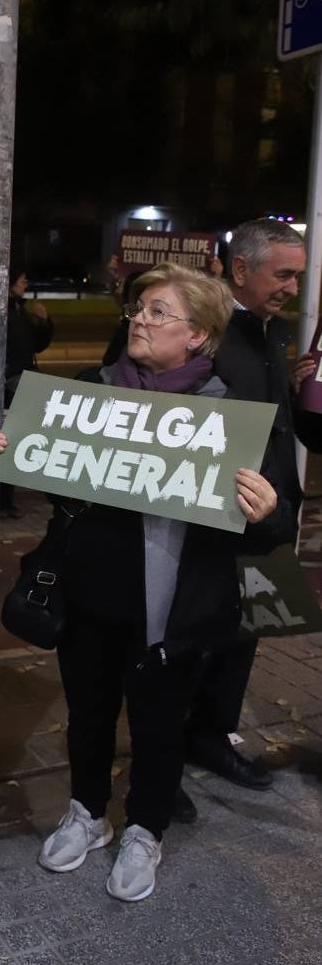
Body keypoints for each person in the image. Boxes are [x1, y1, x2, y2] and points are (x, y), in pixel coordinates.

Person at [0, 263, 284, 902]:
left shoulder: (232, 415)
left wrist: (263, 512)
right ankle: (88, 812)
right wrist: (9, 450)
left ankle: (145, 827)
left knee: (158, 726)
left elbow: (264, 532)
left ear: (197, 335)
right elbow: (57, 477)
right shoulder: (91, 388)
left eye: (157, 313)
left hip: (172, 608)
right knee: (87, 714)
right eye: (138, 310)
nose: (138, 321)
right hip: (88, 595)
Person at [179, 218, 312, 812]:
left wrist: (292, 386)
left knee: (243, 634)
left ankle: (211, 737)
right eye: (282, 274)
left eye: (298, 277)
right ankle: (168, 753)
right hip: (209, 515)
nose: (292, 287)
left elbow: (272, 416)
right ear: (240, 270)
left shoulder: (271, 331)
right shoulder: (199, 324)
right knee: (193, 640)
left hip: (267, 515)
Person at [1, 266, 53, 515]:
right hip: (9, 380)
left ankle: (6, 498)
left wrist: (43, 323)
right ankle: (3, 499)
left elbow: (37, 345)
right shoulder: (5, 309)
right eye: (22, 280)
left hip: (19, 377)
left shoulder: (20, 309)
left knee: (16, 436)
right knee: (7, 437)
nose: (26, 284)